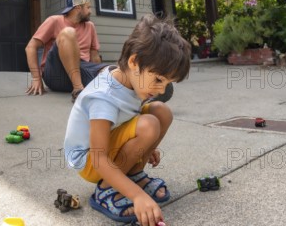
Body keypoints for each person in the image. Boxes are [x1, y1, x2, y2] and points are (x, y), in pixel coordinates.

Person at [63, 15, 191, 225]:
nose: (160, 89)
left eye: (167, 83)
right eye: (158, 79)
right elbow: (99, 158)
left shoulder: (130, 80)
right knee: (149, 125)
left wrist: (144, 146)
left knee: (162, 112)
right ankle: (105, 191)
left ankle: (131, 173)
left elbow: (127, 117)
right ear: (134, 61)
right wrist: (138, 196)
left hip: (107, 145)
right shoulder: (103, 97)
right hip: (89, 160)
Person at [25, 0, 107, 101]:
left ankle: (98, 89)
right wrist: (36, 78)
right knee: (68, 33)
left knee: (113, 71)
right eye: (88, 7)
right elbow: (31, 47)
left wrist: (98, 72)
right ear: (78, 8)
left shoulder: (90, 26)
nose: (90, 11)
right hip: (56, 74)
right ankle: (78, 90)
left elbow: (94, 56)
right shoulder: (54, 21)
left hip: (82, 69)